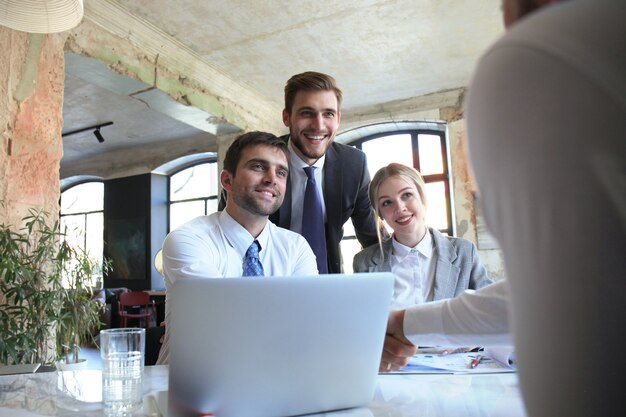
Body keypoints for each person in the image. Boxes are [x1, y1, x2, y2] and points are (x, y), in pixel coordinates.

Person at [382, 1, 626, 416]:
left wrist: (398, 324)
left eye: (407, 195)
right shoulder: (366, 260)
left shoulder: (534, 57)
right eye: (386, 202)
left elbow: (555, 292)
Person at [156, 131, 318, 364]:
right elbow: (227, 322)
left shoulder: (297, 247)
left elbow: (310, 323)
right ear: (227, 180)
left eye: (281, 172)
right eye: (258, 167)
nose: (272, 178)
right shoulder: (187, 240)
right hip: (191, 385)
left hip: (273, 380)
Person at [270, 71, 380, 273]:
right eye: (306, 113)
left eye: (328, 113)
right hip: (268, 278)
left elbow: (372, 239)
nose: (318, 126)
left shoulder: (353, 164)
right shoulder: (261, 159)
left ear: (338, 119)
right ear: (287, 117)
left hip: (328, 278)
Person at [353, 163, 493, 309]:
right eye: (387, 202)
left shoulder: (464, 252)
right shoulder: (364, 263)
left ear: (422, 196)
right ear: (380, 213)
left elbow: (491, 309)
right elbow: (363, 321)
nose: (400, 208)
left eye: (407, 195)